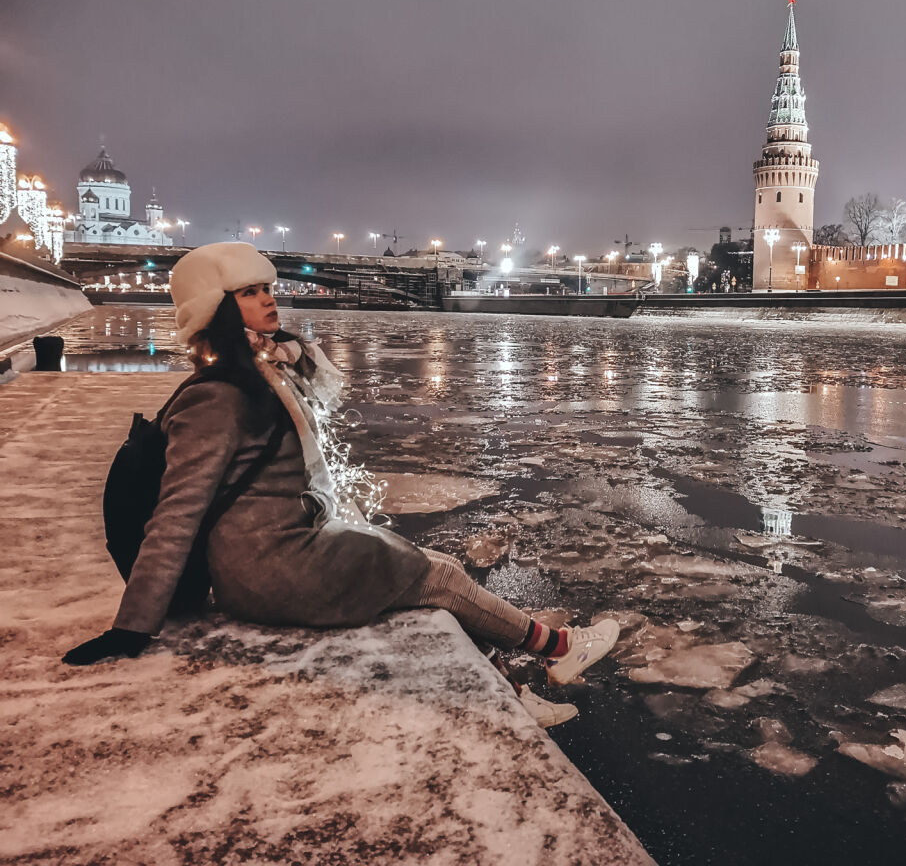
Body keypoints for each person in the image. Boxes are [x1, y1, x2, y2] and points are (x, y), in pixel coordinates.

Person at [63, 242, 616, 727]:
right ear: (216, 309)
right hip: (269, 566)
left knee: (418, 582)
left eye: (267, 288)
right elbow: (177, 510)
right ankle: (559, 649)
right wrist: (133, 627)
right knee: (439, 576)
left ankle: (514, 695)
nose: (269, 300)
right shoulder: (218, 396)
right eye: (249, 292)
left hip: (289, 545)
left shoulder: (268, 371)